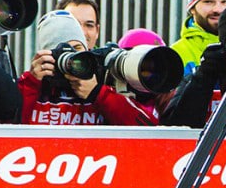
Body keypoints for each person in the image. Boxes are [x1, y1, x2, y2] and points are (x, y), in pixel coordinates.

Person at [20, 9, 155, 126]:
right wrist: (32, 82)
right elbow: (6, 123)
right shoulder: (34, 86)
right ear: (47, 55)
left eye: (78, 48)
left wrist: (98, 93)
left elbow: (149, 131)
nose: (73, 57)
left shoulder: (102, 84)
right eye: (63, 51)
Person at [171, 0, 226, 76]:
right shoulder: (176, 54)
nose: (218, 9)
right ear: (192, 9)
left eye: (225, 2)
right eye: (208, 1)